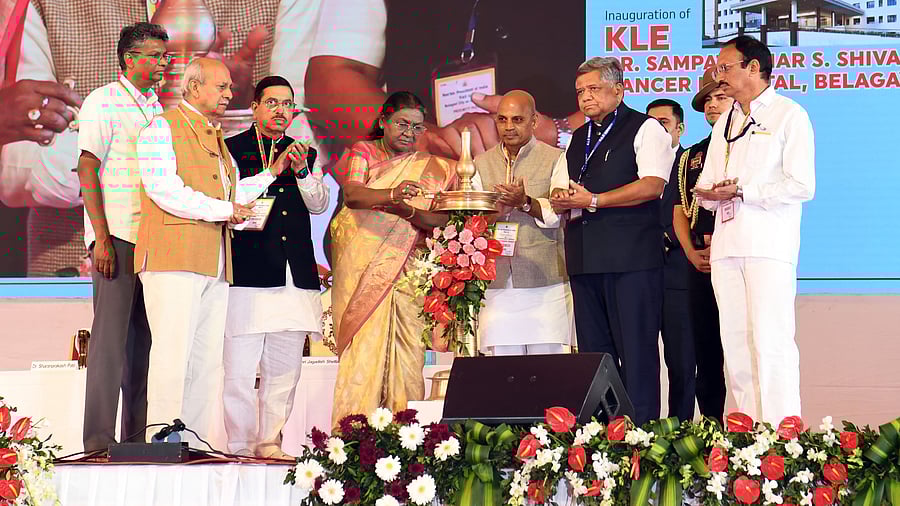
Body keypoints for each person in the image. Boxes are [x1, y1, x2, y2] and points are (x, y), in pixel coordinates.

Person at [0, 0, 386, 276]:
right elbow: (18, 168)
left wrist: (227, 110)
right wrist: (210, 138)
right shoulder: (42, 5)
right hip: (79, 269)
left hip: (234, 262)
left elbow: (295, 136)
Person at [135, 58, 281, 445]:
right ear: (194, 87)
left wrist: (271, 173)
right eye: (222, 87)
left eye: (230, 88)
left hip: (214, 262)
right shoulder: (160, 127)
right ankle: (164, 441)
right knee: (172, 353)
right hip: (173, 259)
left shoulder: (216, 137)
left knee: (205, 359)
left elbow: (232, 195)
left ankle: (192, 442)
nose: (230, 94)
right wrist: (225, 210)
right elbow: (163, 189)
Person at [694, 36, 815, 425]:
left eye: (725, 68)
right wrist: (712, 194)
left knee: (770, 341)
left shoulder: (788, 114)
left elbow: (802, 185)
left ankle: (782, 437)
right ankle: (745, 435)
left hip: (768, 244)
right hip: (727, 247)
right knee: (736, 344)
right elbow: (710, 182)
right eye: (717, 69)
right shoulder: (726, 121)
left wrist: (745, 190)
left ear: (753, 67)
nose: (719, 76)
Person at [550, 57, 675, 426]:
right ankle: (605, 437)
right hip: (586, 259)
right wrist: (560, 198)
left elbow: (653, 185)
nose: (585, 98)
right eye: (579, 92)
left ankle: (643, 435)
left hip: (631, 259)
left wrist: (593, 200)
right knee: (595, 357)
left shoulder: (646, 128)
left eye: (593, 89)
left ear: (618, 90)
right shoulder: (578, 138)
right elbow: (566, 187)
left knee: (636, 352)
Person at [330, 92, 458, 425]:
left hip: (407, 271)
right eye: (402, 123)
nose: (409, 133)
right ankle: (354, 431)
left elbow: (440, 221)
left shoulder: (432, 168)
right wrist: (392, 195)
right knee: (365, 348)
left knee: (408, 350)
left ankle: (407, 432)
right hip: (364, 268)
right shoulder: (364, 151)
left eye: (417, 127)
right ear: (384, 120)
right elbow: (354, 194)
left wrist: (408, 210)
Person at [222, 76, 329, 459]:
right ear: (254, 107)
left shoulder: (305, 153)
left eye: (288, 103)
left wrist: (300, 172)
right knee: (238, 370)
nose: (281, 110)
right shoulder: (231, 148)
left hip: (294, 275)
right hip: (249, 273)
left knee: (284, 371)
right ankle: (238, 444)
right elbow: (230, 198)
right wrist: (274, 170)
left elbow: (317, 204)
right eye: (272, 102)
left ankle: (270, 441)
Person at [74, 22, 168, 453]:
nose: (162, 63)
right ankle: (97, 442)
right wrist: (101, 238)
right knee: (109, 344)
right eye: (154, 55)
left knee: (142, 346)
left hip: (155, 242)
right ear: (129, 59)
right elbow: (88, 167)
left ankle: (136, 441)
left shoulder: (156, 106)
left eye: (164, 56)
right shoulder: (103, 102)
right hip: (119, 237)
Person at [473, 90, 572, 356]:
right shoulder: (480, 163)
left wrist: (525, 202)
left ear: (534, 120)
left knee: (548, 368)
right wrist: (499, 210)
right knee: (504, 369)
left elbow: (559, 212)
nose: (508, 127)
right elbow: (473, 222)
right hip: (497, 282)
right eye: (502, 120)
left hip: (546, 280)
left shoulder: (556, 158)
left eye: (517, 120)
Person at [672, 67, 733, 426]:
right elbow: (680, 210)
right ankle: (711, 423)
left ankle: (747, 427)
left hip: (736, 255)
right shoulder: (692, 155)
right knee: (705, 348)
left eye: (720, 96)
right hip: (700, 263)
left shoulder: (749, 146)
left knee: (741, 344)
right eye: (707, 100)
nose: (712, 104)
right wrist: (692, 253)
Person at [646, 98, 696, 423]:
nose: (657, 129)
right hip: (641, 278)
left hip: (680, 277)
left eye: (663, 122)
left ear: (680, 128)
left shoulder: (692, 166)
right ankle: (642, 434)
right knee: (641, 362)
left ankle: (680, 432)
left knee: (682, 363)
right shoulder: (634, 167)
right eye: (650, 124)